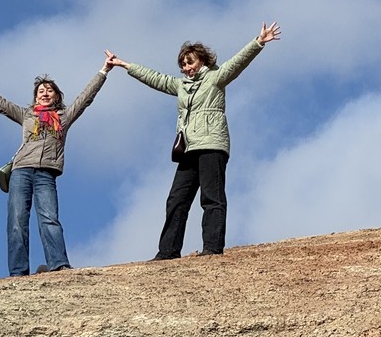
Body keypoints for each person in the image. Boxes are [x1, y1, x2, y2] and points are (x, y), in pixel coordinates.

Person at [104, 23, 280, 259]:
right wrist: (126, 65)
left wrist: (258, 42)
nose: (186, 68)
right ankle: (167, 252)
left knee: (211, 197)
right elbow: (155, 78)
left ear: (203, 62)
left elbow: (238, 62)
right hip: (188, 148)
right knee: (176, 199)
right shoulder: (181, 86)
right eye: (183, 64)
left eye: (190, 62)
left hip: (212, 145)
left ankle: (212, 248)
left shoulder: (216, 78)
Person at [0, 61, 112, 275]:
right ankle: (18, 271)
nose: (44, 93)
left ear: (56, 96)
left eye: (49, 90)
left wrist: (103, 71)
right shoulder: (26, 115)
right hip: (21, 170)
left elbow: (86, 97)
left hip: (46, 173)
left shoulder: (64, 117)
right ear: (35, 97)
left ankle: (58, 264)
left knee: (49, 218)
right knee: (16, 220)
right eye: (40, 91)